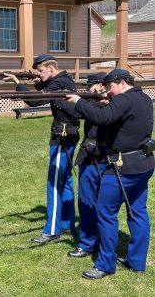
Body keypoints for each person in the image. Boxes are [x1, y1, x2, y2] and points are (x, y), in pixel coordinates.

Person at [66, 68, 155, 279]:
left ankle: (105, 264)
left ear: (121, 82)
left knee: (105, 212)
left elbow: (103, 118)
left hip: (122, 166)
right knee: (137, 212)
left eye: (110, 87)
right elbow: (121, 120)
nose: (108, 91)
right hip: (143, 163)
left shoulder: (124, 99)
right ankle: (136, 261)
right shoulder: (143, 97)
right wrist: (109, 104)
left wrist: (79, 101)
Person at [4, 54, 80, 243]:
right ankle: (66, 224)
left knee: (54, 184)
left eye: (41, 70)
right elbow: (44, 92)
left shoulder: (58, 82)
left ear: (51, 69)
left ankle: (52, 229)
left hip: (62, 137)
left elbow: (35, 101)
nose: (38, 73)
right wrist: (36, 81)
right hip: (68, 134)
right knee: (65, 181)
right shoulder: (63, 80)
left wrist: (17, 83)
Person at [67, 72, 108, 258]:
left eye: (91, 86)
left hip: (107, 158)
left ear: (100, 85)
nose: (88, 89)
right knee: (85, 202)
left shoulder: (114, 102)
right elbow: (75, 112)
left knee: (104, 205)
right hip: (89, 156)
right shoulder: (90, 103)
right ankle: (87, 243)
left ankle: (102, 242)